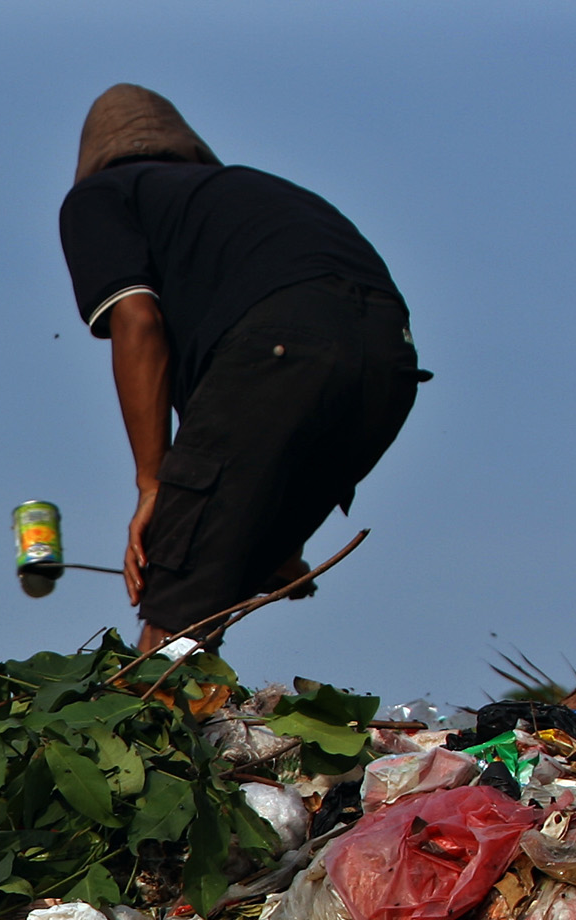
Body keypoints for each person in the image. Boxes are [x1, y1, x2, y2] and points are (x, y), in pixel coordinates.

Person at [58, 85, 427, 647]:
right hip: (388, 361)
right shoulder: (250, 193)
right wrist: (272, 548)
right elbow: (283, 406)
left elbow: (137, 320)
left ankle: (156, 721)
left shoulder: (103, 194)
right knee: (225, 566)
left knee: (175, 592)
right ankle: (260, 573)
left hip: (281, 346)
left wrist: (153, 484)